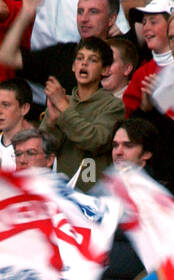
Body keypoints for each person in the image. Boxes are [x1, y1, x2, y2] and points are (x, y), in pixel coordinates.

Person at [39, 36, 124, 187]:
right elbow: (42, 148)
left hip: (95, 196)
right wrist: (51, 123)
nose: (84, 63)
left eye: (92, 60)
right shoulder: (63, 100)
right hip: (63, 194)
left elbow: (95, 140)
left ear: (105, 70)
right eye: (79, 58)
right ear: (73, 66)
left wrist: (64, 108)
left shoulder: (113, 105)